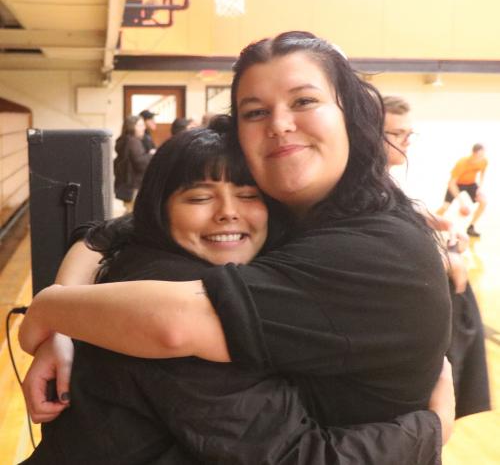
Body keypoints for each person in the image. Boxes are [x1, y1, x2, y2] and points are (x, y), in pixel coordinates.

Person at [20, 32, 454, 460]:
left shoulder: (374, 250)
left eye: (304, 101)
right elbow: (111, 232)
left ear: (351, 113)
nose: (280, 124)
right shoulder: (283, 216)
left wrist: (51, 308)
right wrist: (59, 331)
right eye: (255, 111)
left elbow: (173, 324)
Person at [383, 95, 490, 418]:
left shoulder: (385, 183)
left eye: (409, 133)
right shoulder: (363, 183)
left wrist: (428, 219)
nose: (407, 142)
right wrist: (445, 258)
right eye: (398, 134)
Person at [436, 143, 488, 237]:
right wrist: (461, 203)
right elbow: (451, 183)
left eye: (483, 155)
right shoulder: (462, 163)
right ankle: (429, 224)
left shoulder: (484, 161)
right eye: (479, 155)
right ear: (473, 153)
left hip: (470, 184)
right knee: (445, 207)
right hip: (456, 184)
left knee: (483, 202)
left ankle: (470, 227)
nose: (481, 157)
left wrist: (479, 188)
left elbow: (482, 173)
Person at [114, 115, 154, 212]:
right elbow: (140, 163)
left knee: (130, 214)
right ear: (132, 127)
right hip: (133, 186)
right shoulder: (133, 141)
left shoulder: (124, 140)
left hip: (127, 185)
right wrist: (151, 154)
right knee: (133, 217)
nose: (143, 128)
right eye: (140, 125)